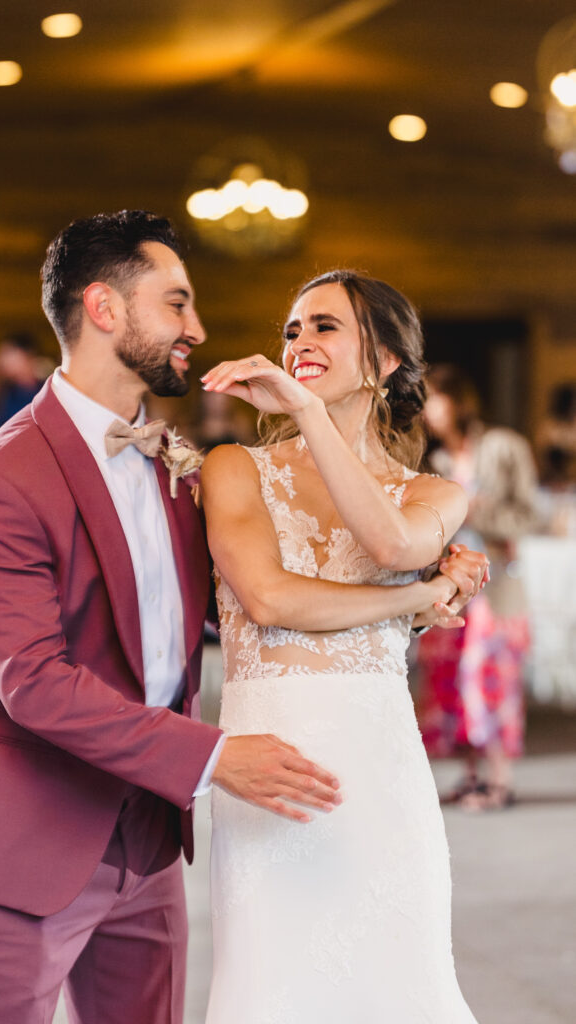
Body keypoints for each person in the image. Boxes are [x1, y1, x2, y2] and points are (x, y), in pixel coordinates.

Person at [0, 213, 484, 1024]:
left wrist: (434, 583)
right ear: (105, 309)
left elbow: (227, 609)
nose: (200, 329)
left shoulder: (170, 468)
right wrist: (214, 756)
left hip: (147, 839)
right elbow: (33, 685)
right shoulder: (0, 480)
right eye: (177, 305)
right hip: (28, 835)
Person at [200, 269, 486, 1021]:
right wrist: (422, 599)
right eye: (291, 329)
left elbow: (391, 542)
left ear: (385, 360)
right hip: (269, 761)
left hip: (378, 766)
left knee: (398, 983)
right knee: (272, 985)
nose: (299, 342)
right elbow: (268, 599)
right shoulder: (235, 469)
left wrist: (305, 411)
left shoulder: (431, 494)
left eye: (324, 326)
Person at [417, 364, 537, 809]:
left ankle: (499, 779)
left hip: (497, 585)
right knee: (450, 679)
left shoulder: (505, 447)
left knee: (491, 679)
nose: (428, 409)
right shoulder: (433, 459)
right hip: (449, 587)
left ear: (456, 399)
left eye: (433, 397)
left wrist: (473, 510)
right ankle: (471, 775)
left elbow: (530, 512)